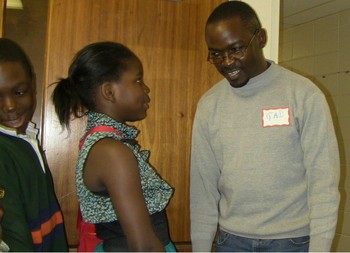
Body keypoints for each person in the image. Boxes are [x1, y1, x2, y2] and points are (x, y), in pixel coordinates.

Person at [190, 1, 340, 252]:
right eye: (216, 53)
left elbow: (323, 182)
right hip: (231, 242)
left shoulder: (304, 95)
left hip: (292, 243)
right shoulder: (209, 106)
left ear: (260, 38)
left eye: (236, 49)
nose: (226, 62)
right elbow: (203, 187)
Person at [51, 41, 175, 252]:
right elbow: (143, 245)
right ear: (109, 91)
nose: (146, 88)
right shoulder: (111, 152)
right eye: (137, 79)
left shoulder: (106, 144)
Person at [0, 38, 68, 251]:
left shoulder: (26, 140)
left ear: (33, 84)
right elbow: (14, 236)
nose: (9, 106)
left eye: (19, 92)